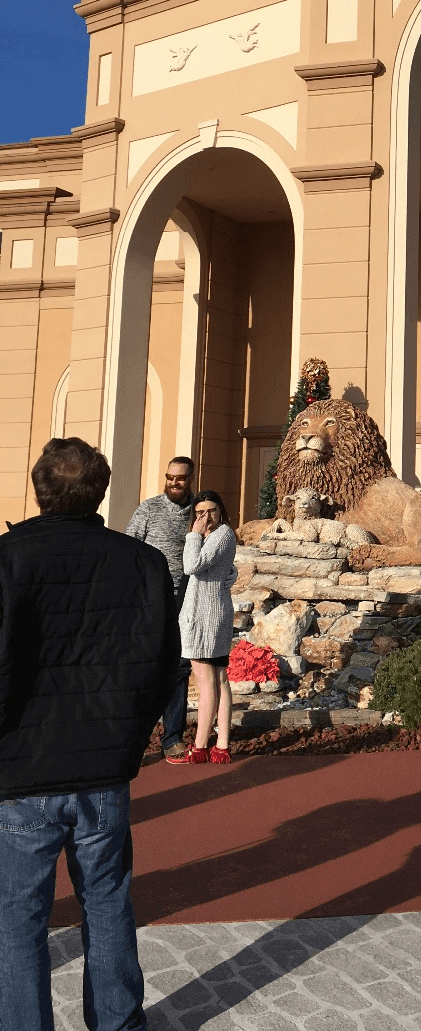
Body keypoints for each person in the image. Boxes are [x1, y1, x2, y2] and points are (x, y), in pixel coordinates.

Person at [0, 437, 178, 1031]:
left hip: (23, 771)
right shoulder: (142, 563)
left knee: (19, 919)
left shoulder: (8, 557)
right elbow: (161, 667)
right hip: (102, 767)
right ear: (99, 491)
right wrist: (133, 741)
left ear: (39, 489)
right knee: (106, 906)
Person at [126, 456, 196, 764]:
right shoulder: (149, 509)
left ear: (190, 478)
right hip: (151, 598)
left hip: (187, 599)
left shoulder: (200, 510)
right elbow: (130, 548)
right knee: (145, 667)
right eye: (169, 477)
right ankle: (134, 740)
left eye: (179, 478)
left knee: (179, 668)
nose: (173, 482)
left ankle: (172, 738)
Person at [180, 491, 238, 764]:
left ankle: (202, 745)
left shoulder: (221, 534)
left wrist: (193, 534)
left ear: (221, 510)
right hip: (208, 613)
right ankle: (222, 745)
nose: (206, 517)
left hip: (206, 618)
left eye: (211, 511)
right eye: (200, 513)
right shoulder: (214, 537)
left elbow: (191, 565)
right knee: (218, 680)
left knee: (207, 682)